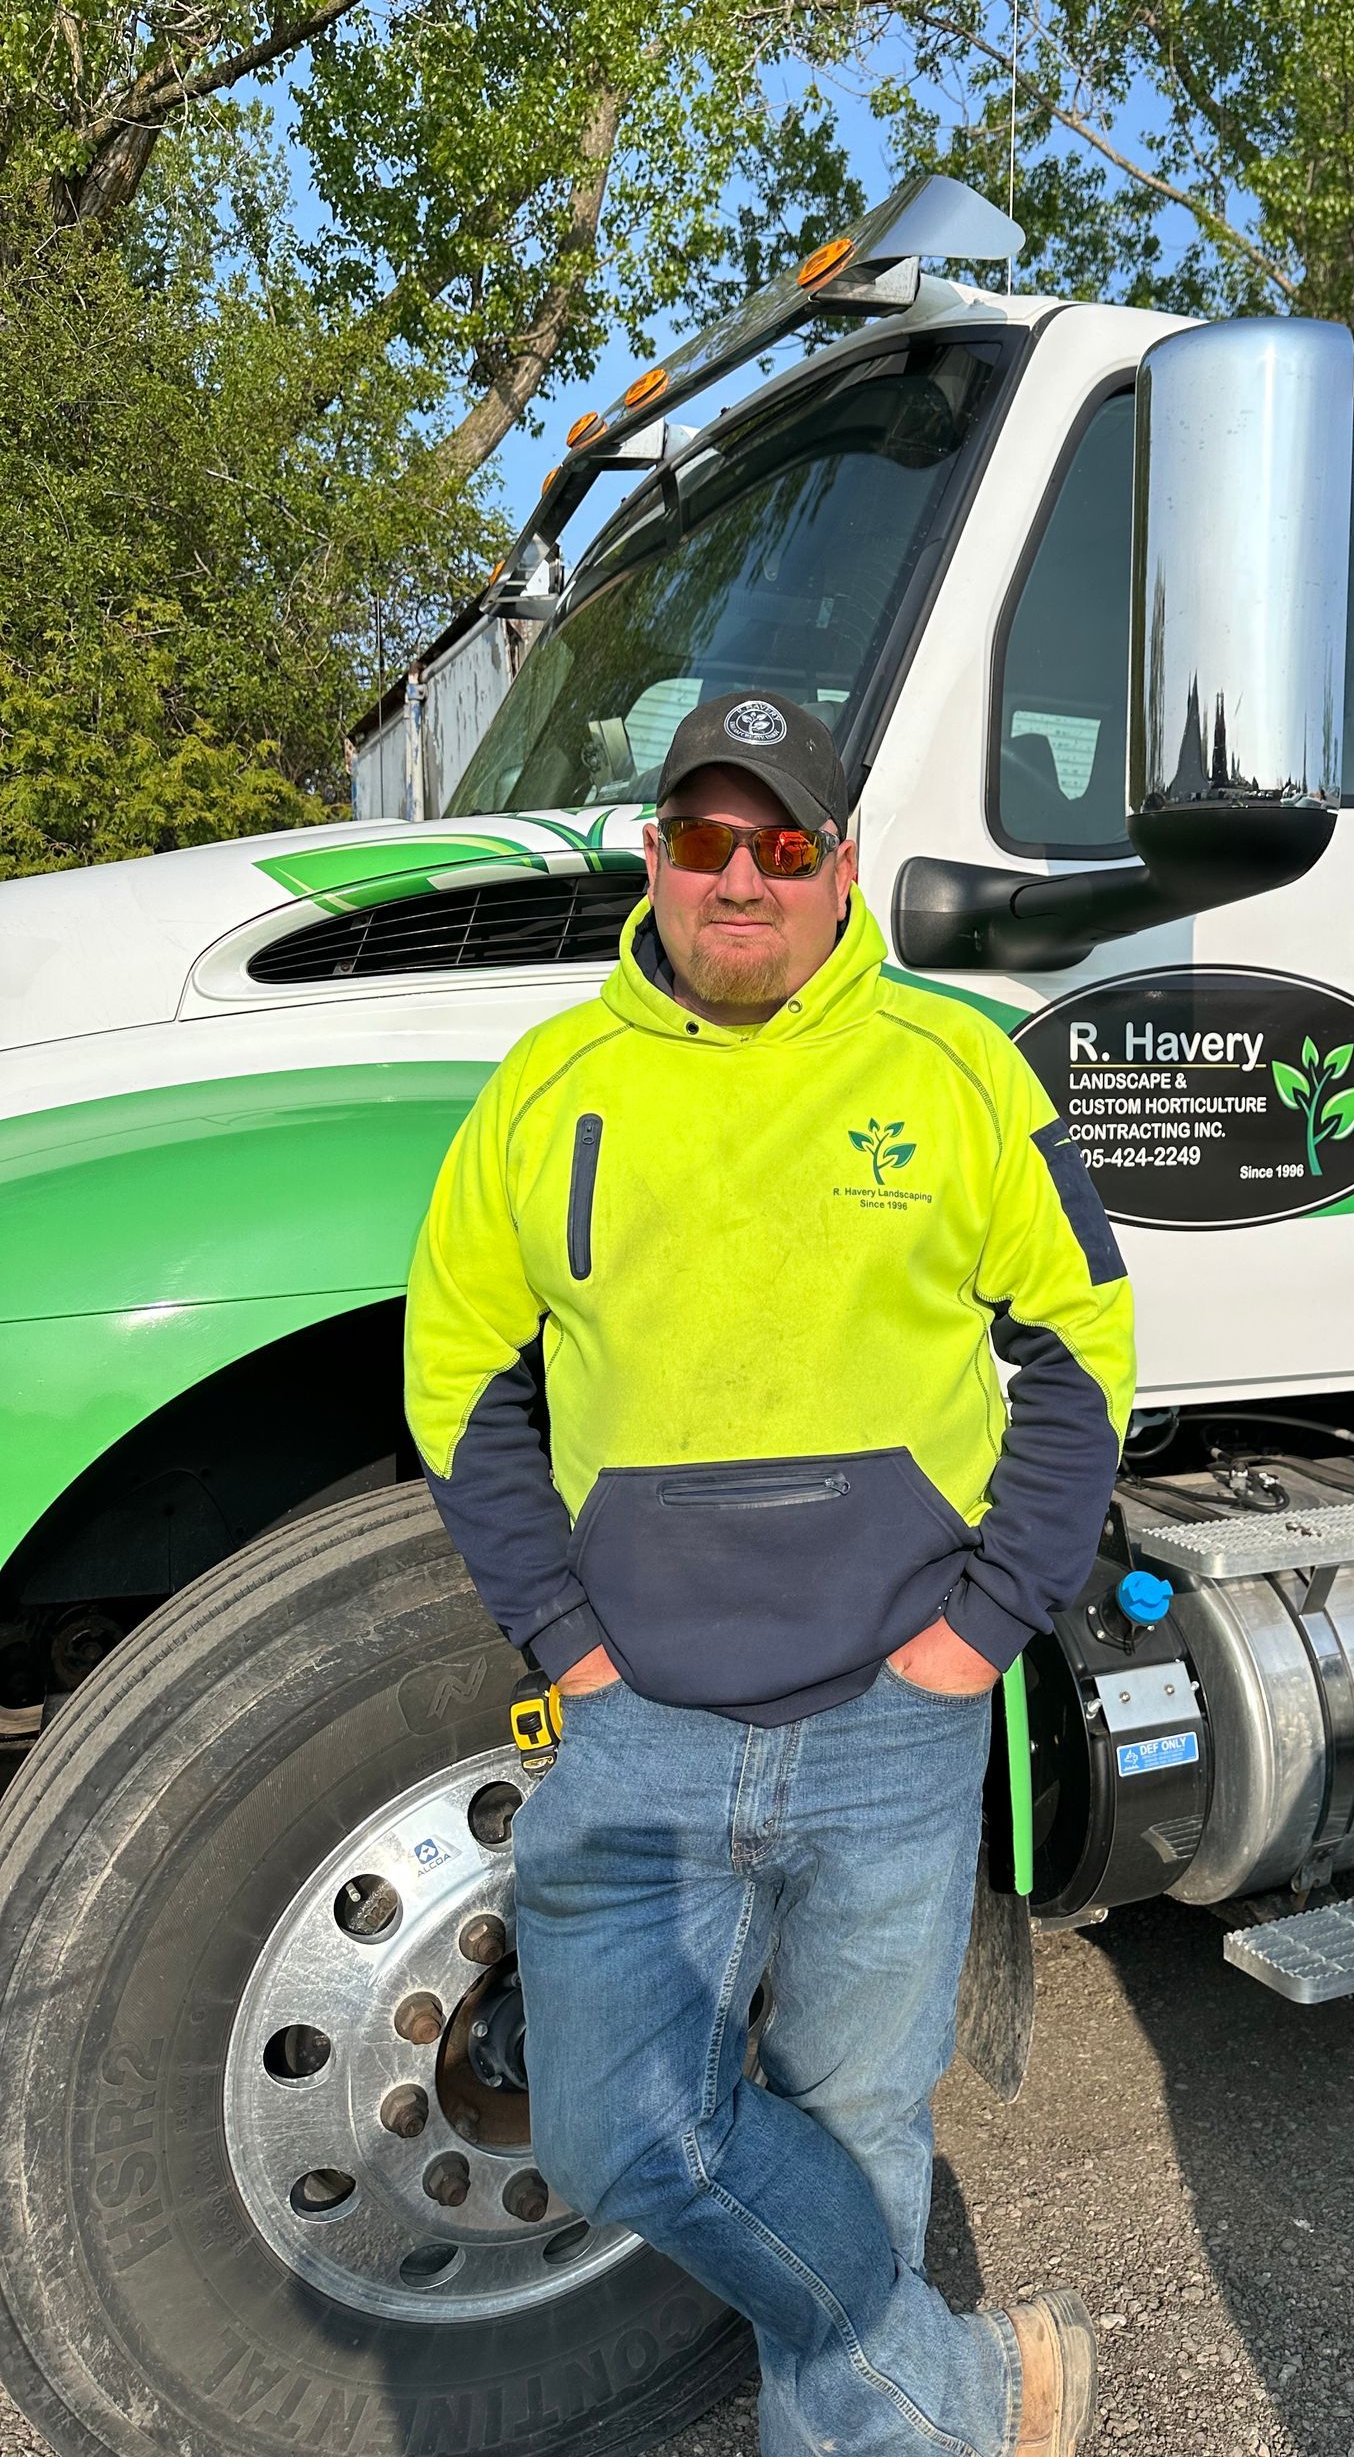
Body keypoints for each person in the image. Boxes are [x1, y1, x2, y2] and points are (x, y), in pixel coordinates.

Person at [403, 687, 1136, 2456]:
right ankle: (957, 2389)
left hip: (896, 1722)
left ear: (840, 868)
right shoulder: (548, 1093)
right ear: (655, 860)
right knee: (612, 2134)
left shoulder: (958, 1072)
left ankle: (869, 2432)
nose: (742, 876)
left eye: (781, 842)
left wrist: (974, 1638)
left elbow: (1081, 1354)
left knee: (861, 2129)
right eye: (703, 839)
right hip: (639, 1731)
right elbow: (457, 1384)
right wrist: (572, 1647)